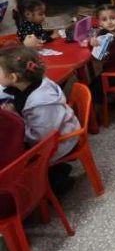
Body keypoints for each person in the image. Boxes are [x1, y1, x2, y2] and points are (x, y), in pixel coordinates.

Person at [0, 45, 79, 194]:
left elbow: (41, 139)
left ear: (13, 77)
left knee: (17, 157)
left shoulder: (40, 103)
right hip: (60, 130)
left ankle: (56, 178)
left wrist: (15, 117)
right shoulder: (34, 83)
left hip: (61, 142)